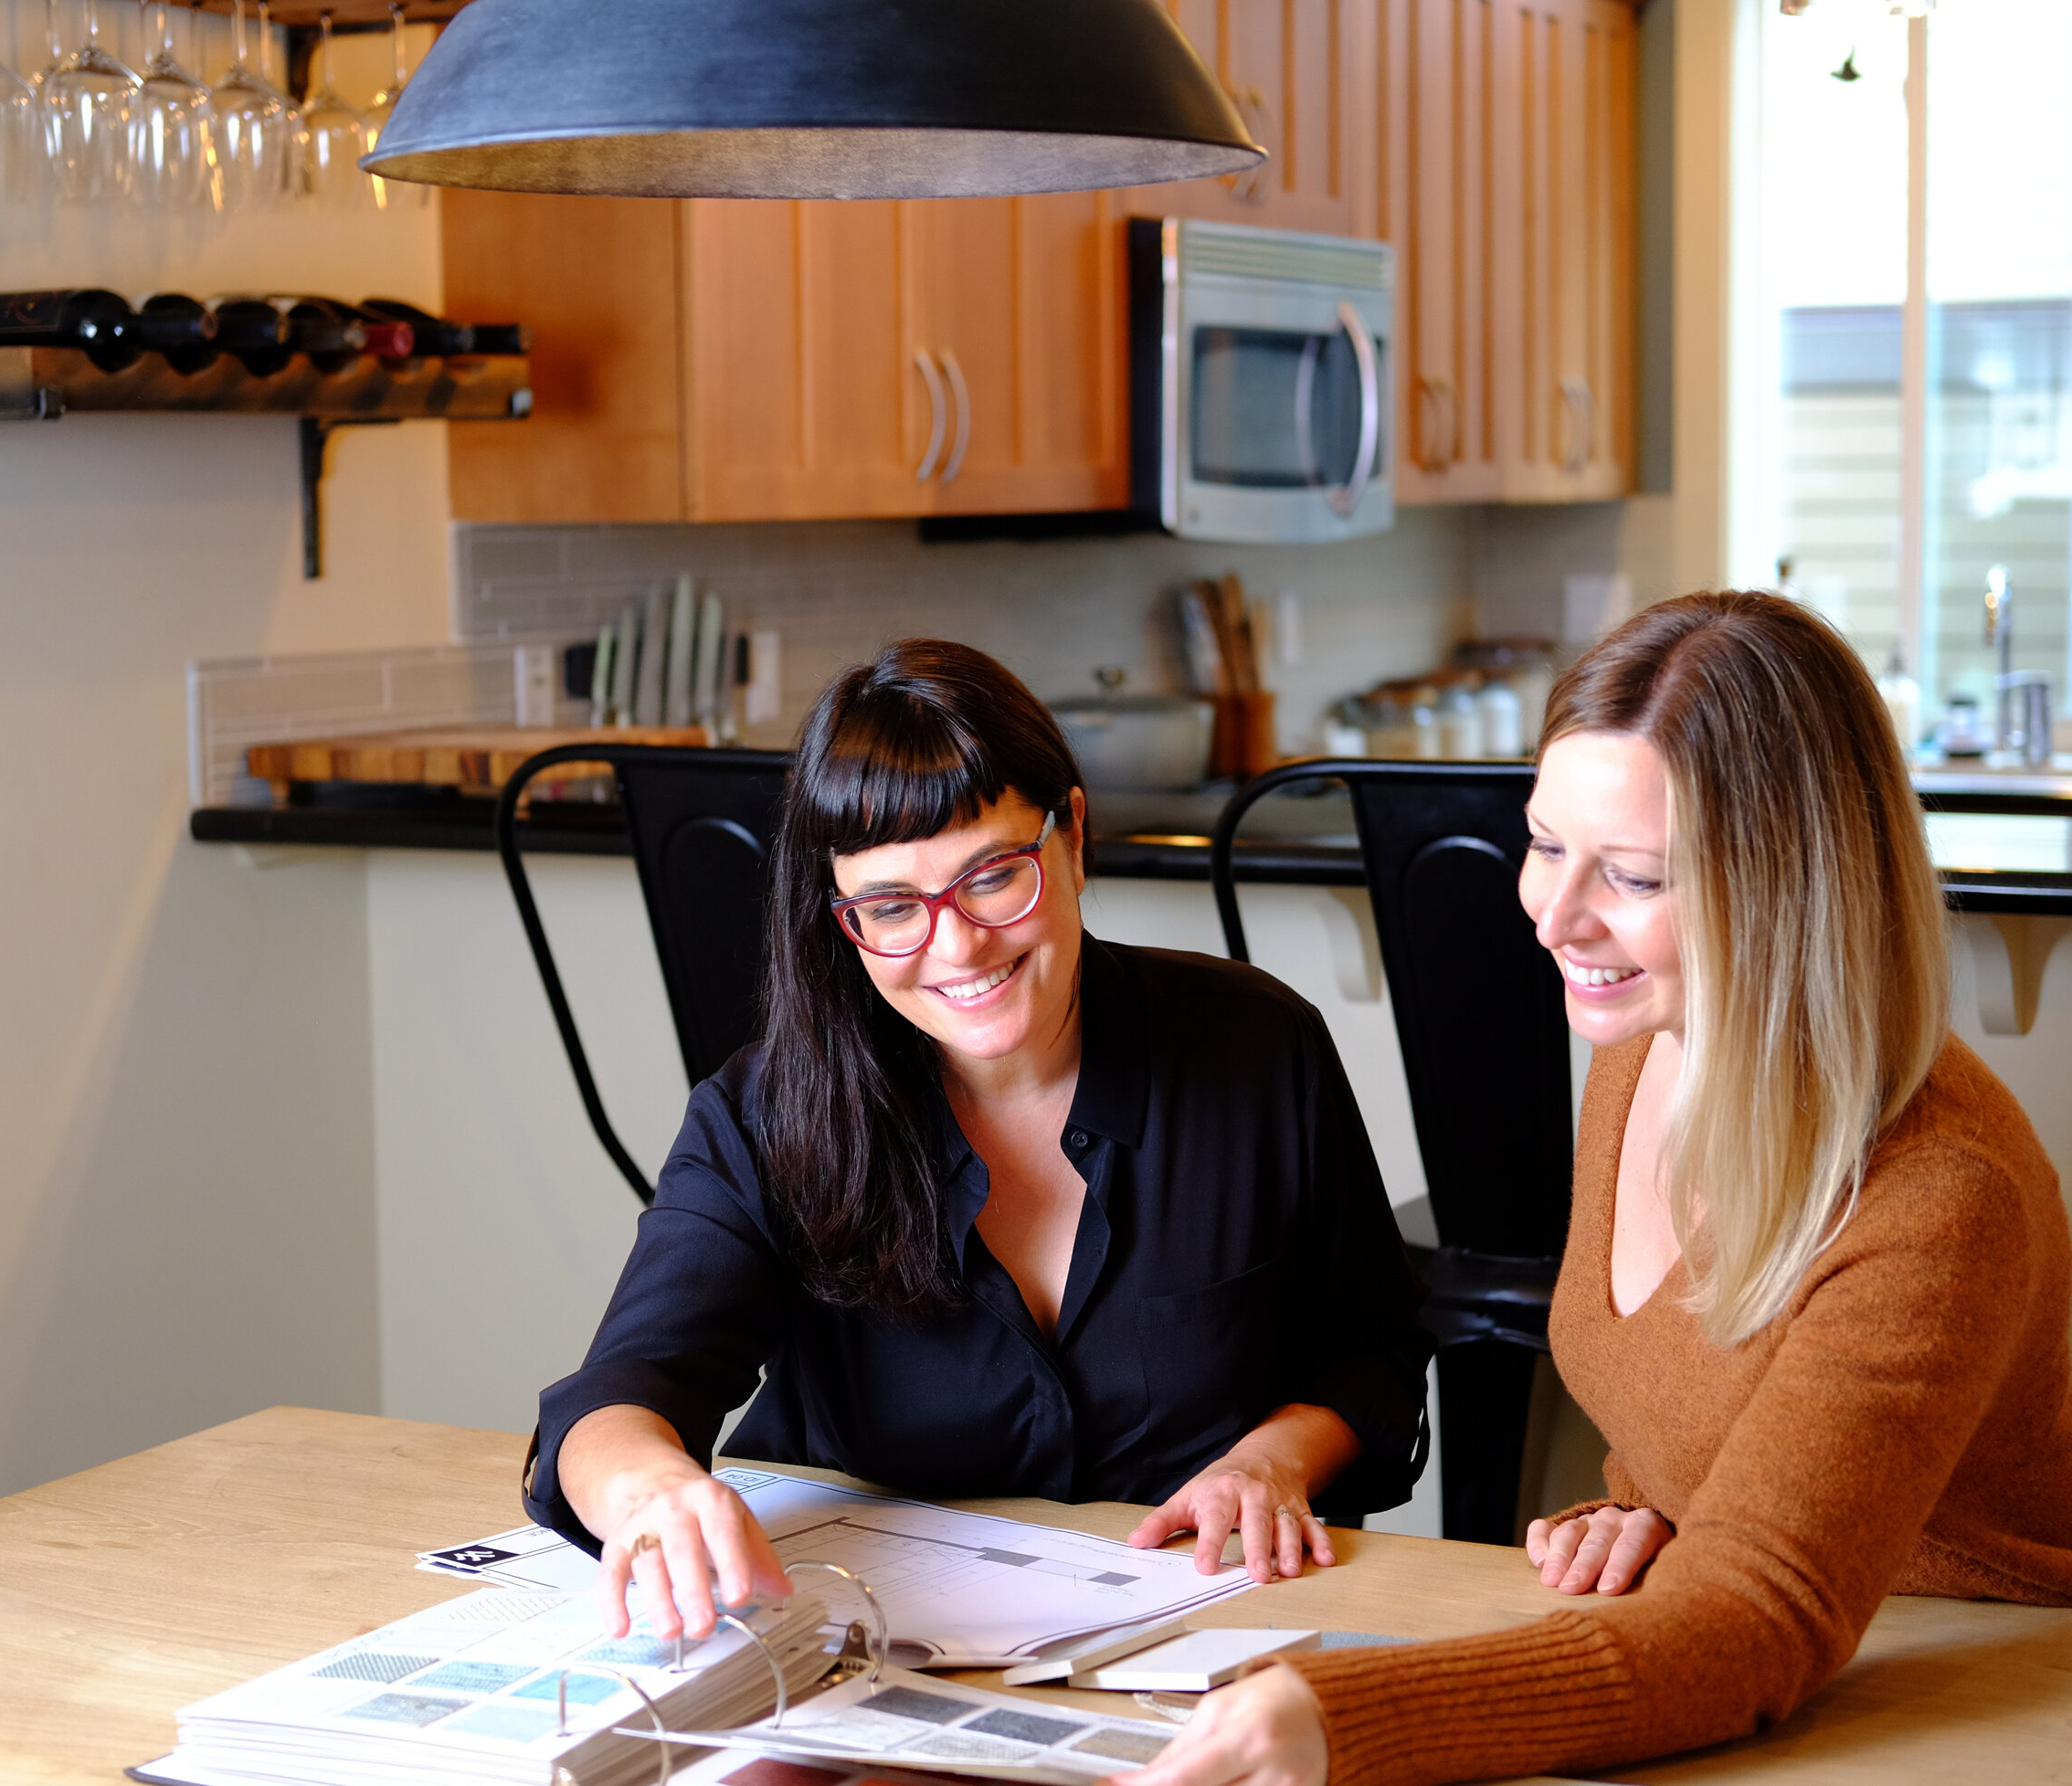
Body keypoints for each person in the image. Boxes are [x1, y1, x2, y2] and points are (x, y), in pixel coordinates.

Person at [1120, 592, 2072, 1786]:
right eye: (1546, 842)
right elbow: (1710, 1397)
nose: (1554, 915)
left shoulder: (1937, 1192)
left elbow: (1755, 1619)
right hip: (1783, 1668)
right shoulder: (1642, 1038)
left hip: (1996, 1684)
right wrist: (1661, 1502)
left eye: (1632, 874)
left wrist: (1326, 1711)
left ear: (1791, 883)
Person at [524, 639, 1430, 1642]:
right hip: (867, 1653)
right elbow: (617, 1393)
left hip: (1209, 1636)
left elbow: (1374, 1352)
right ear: (842, 919)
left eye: (993, 876)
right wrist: (651, 1494)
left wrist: (1273, 1457)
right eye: (891, 907)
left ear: (1073, 836)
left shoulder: (1259, 1046)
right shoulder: (766, 1112)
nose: (954, 946)